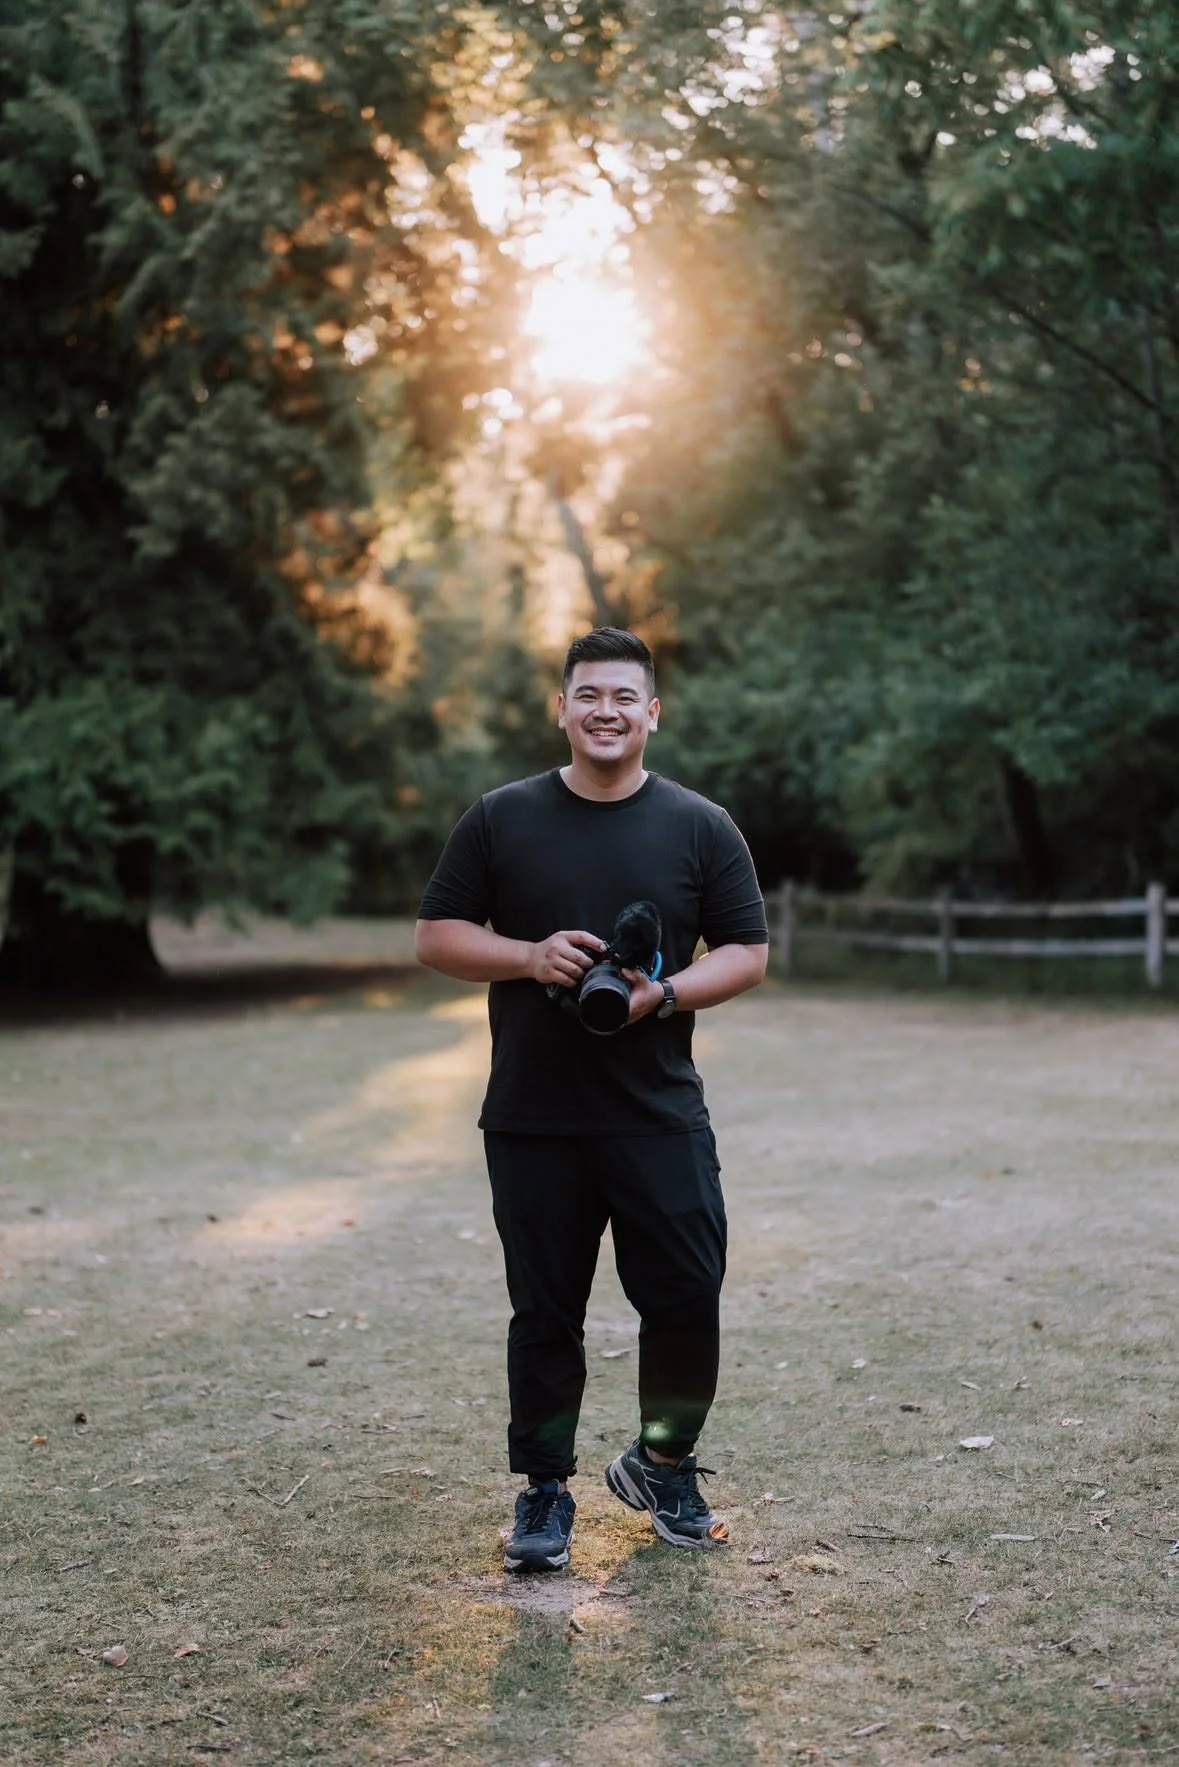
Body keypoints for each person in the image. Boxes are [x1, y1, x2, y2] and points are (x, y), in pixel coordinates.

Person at [415, 627, 768, 1572]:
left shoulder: (701, 824)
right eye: (588, 695)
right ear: (561, 708)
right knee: (544, 1312)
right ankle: (543, 1490)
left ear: (651, 713)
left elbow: (747, 949)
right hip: (532, 1115)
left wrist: (668, 992)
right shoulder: (500, 817)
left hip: (657, 1110)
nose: (605, 711)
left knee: (687, 1295)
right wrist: (529, 956)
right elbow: (436, 934)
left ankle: (664, 1462)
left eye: (624, 696)